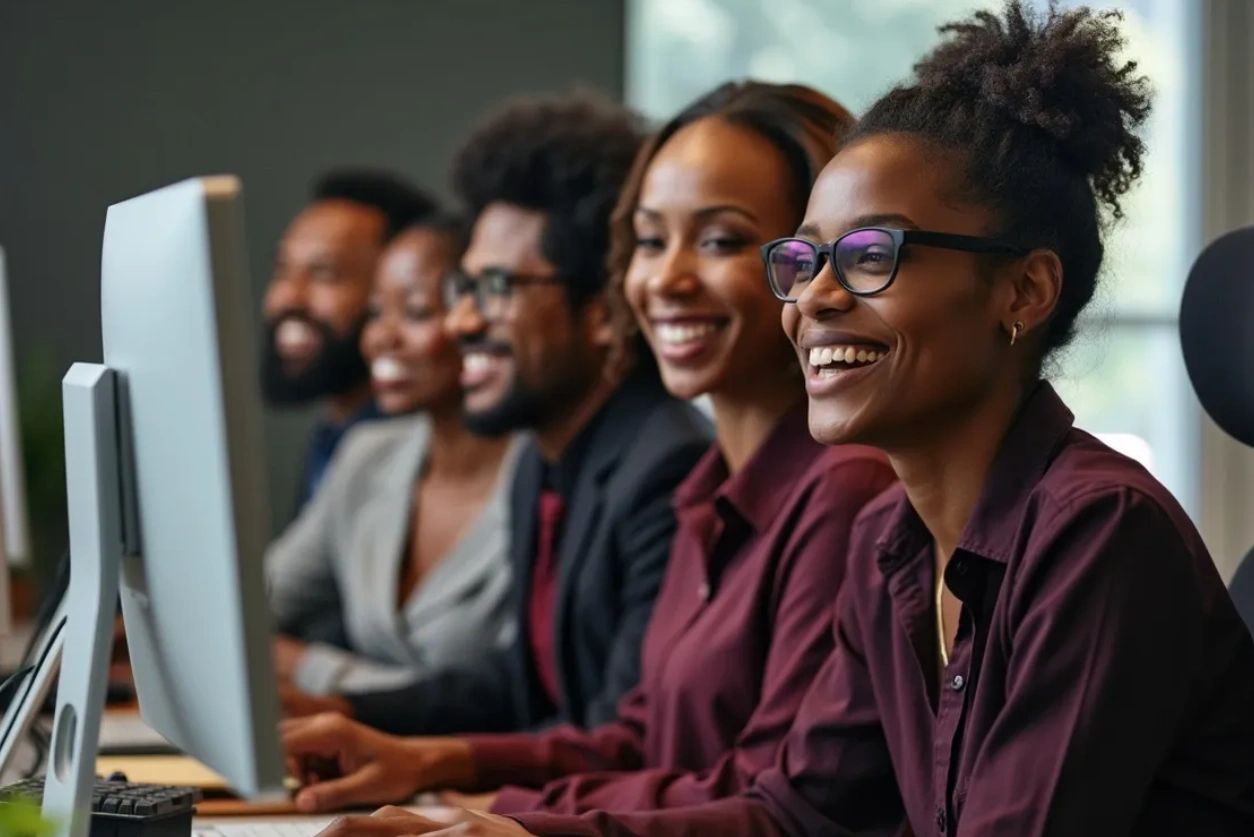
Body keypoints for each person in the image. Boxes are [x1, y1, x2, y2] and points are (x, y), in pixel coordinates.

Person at [301, 4, 1254, 836]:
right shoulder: (894, 540)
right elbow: (801, 812)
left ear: (1025, 288)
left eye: (872, 254)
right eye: (800, 260)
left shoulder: (1097, 533)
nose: (815, 298)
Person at [280, 81, 895, 817]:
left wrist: (496, 812)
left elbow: (771, 800)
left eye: (721, 240)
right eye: (647, 240)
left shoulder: (842, 490)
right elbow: (639, 737)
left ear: (807, 260)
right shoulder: (707, 484)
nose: (666, 277)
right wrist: (427, 762)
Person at [282, 94, 712, 742]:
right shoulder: (546, 459)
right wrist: (351, 716)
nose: (464, 322)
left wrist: (441, 771)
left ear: (604, 311)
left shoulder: (668, 468)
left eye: (497, 289)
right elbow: (516, 686)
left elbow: (626, 741)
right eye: (465, 288)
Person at [266, 213, 525, 702]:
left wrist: (309, 667)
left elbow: (510, 699)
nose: (382, 337)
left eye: (416, 311)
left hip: (481, 769)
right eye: (376, 312)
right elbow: (262, 598)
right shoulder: (368, 456)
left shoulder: (542, 474)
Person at [262, 168, 438, 508]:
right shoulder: (331, 435)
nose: (289, 297)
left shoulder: (418, 453)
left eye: (325, 274)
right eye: (283, 270)